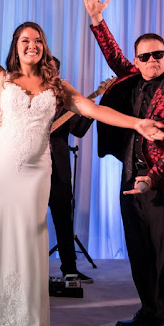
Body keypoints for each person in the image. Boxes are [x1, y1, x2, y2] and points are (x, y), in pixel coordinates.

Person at [0, 0, 164, 326]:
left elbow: (92, 109)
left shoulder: (57, 86)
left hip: (35, 173)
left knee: (29, 235)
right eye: (26, 40)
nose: (33, 45)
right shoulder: (1, 78)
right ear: (16, 46)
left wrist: (137, 123)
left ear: (44, 47)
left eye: (38, 40)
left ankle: (24, 313)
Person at [82, 0, 164, 326]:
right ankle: (149, 309)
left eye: (157, 55)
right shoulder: (131, 78)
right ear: (136, 61)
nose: (151, 61)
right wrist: (97, 20)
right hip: (129, 177)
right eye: (144, 57)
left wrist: (152, 178)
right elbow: (113, 55)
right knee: (138, 248)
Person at [48, 58, 97, 283]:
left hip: (58, 169)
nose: (49, 72)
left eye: (53, 69)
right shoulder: (28, 94)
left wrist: (91, 111)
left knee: (63, 221)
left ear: (58, 71)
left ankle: (70, 269)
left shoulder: (65, 99)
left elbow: (78, 131)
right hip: (31, 170)